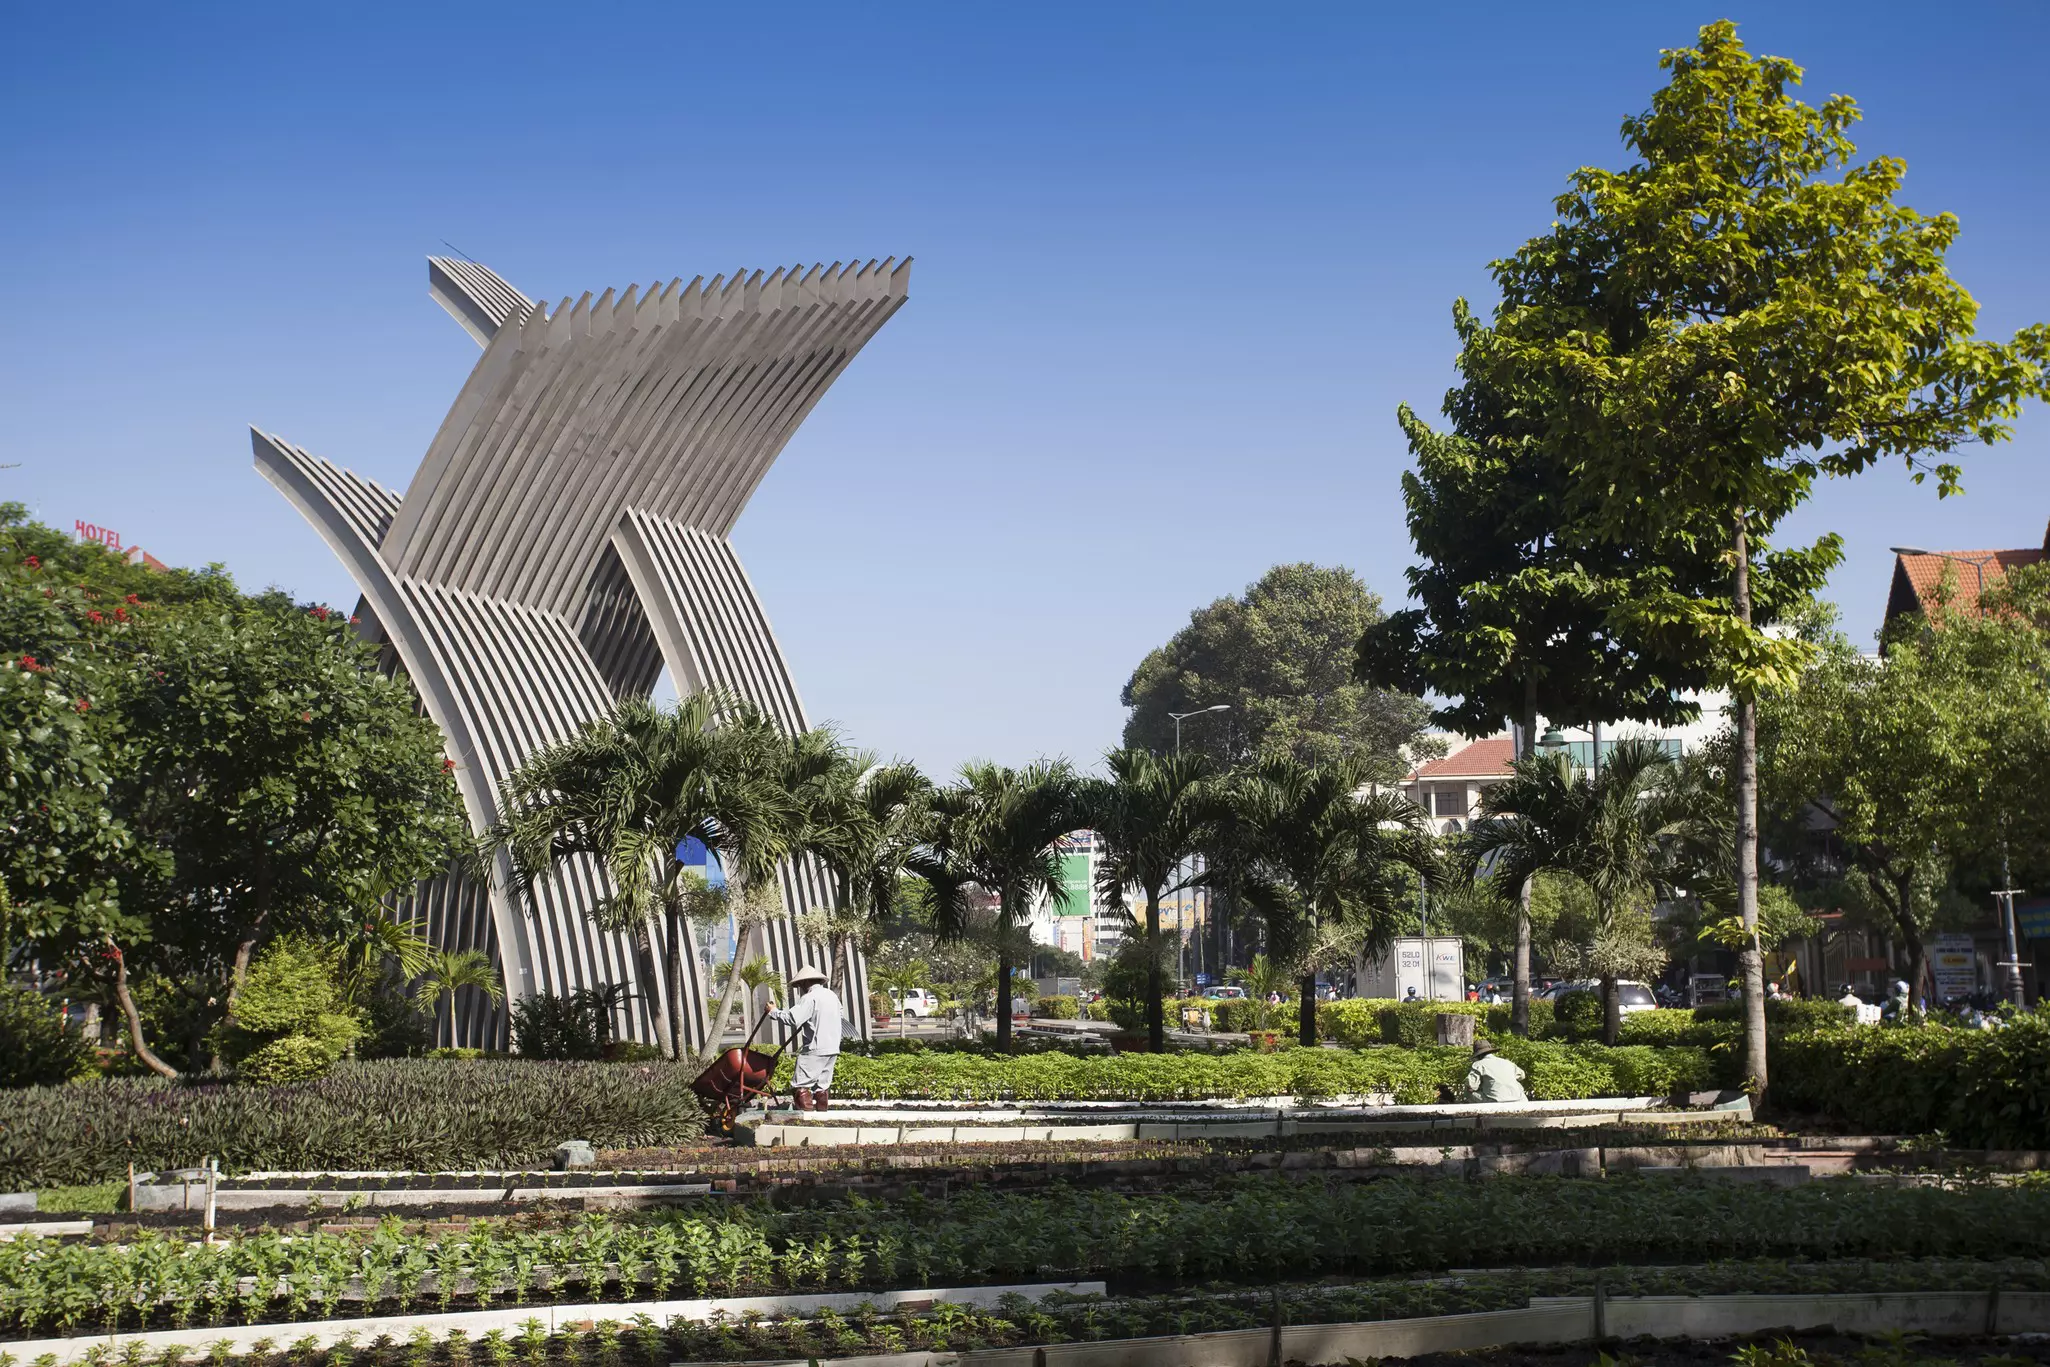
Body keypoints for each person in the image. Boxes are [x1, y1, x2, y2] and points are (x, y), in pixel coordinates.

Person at [768, 963, 843, 1112]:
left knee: (801, 1085)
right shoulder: (831, 996)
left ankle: (804, 1121)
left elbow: (793, 1019)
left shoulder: (810, 998)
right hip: (832, 1047)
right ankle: (821, 1119)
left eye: (801, 984)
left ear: (805, 982)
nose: (800, 987)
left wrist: (774, 1011)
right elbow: (839, 1015)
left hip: (816, 1048)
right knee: (822, 1087)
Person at [1462, 1039, 1527, 1104]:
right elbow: (1522, 1076)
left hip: (1495, 1101)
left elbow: (1470, 1085)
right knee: (1517, 1085)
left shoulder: (1478, 1064)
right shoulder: (1507, 1062)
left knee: (1468, 1092)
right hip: (1519, 1099)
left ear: (1478, 1055)